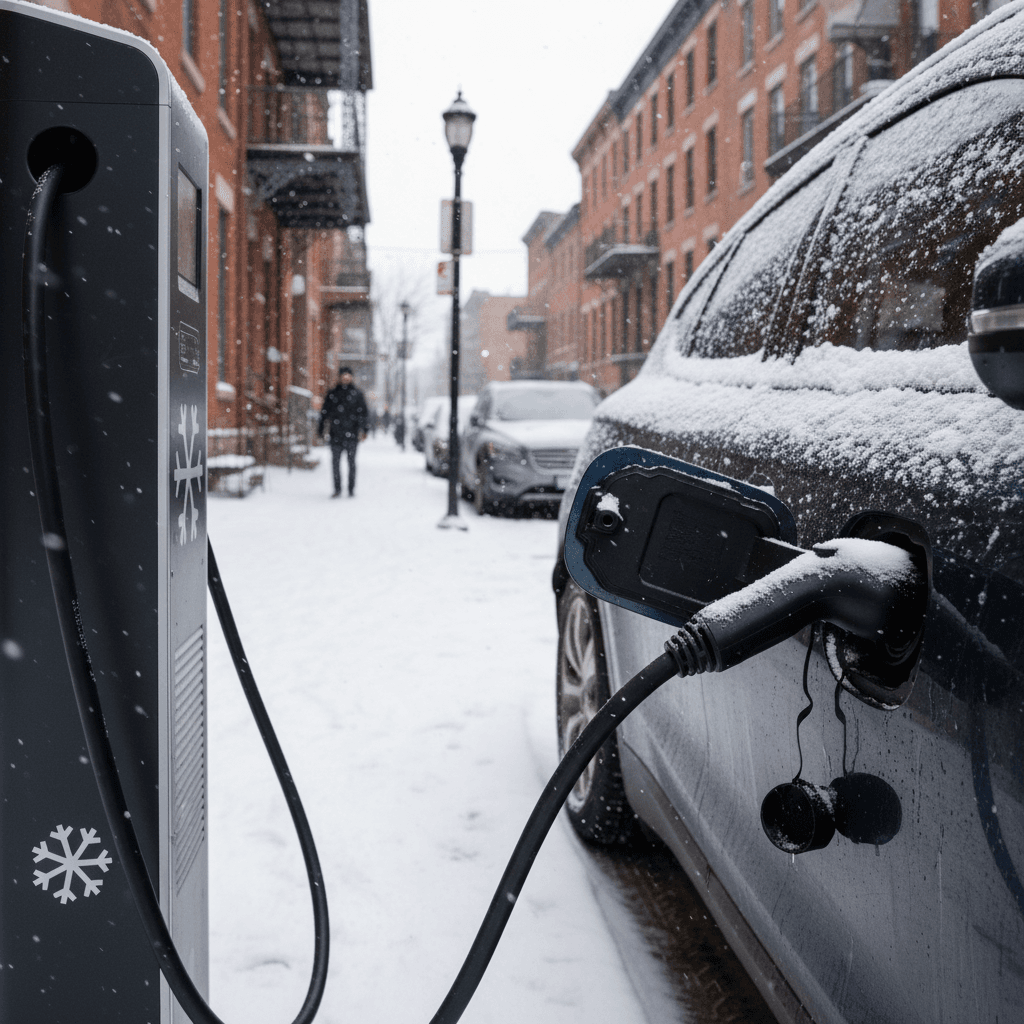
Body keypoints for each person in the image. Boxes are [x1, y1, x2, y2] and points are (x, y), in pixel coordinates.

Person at [318, 366, 368, 497]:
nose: (346, 378)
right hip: (336, 434)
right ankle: (337, 489)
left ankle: (351, 489)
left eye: (348, 376)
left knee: (351, 463)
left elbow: (363, 413)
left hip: (352, 434)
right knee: (335, 463)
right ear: (340, 377)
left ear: (351, 377)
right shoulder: (332, 393)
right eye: (343, 376)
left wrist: (364, 430)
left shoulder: (357, 394)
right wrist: (321, 430)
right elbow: (324, 413)